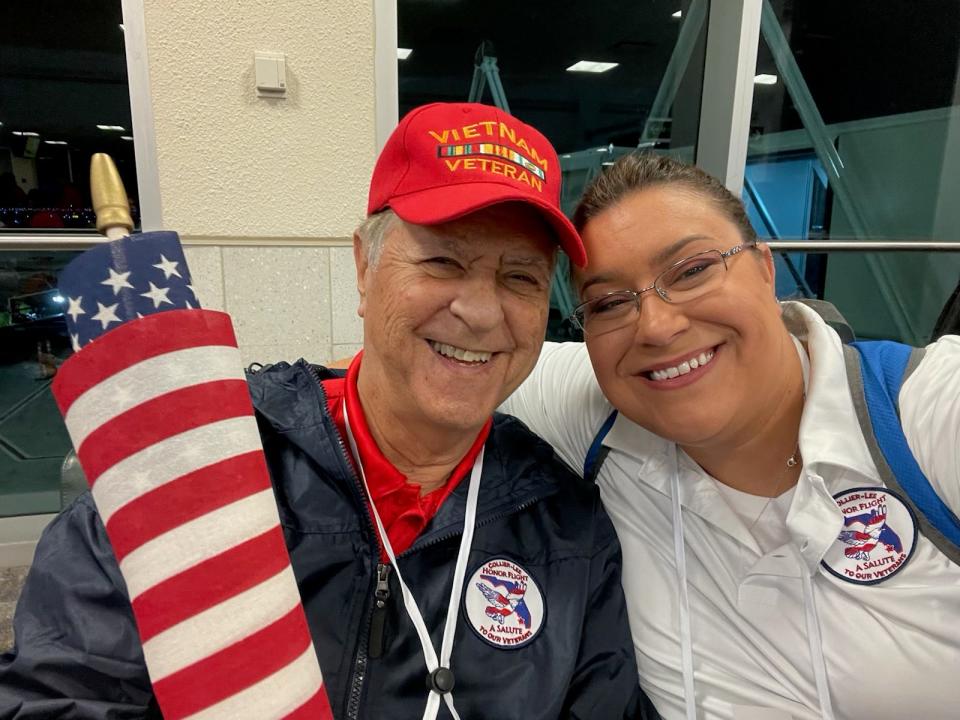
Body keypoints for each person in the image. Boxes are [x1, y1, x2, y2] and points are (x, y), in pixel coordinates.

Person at [0, 103, 655, 720]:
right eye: (443, 261)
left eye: (521, 278)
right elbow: (61, 697)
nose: (482, 312)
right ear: (364, 267)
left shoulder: (565, 526)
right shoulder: (198, 466)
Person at [502, 153, 960, 720]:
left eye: (692, 270)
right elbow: (441, 374)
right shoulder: (601, 417)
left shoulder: (926, 413)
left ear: (766, 269)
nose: (657, 326)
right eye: (610, 302)